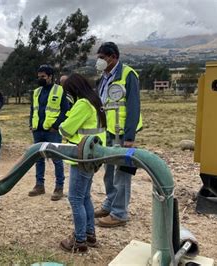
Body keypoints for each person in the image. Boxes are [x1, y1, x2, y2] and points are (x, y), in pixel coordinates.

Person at [94, 42, 142, 227]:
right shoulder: (104, 77)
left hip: (122, 133)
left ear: (113, 57)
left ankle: (120, 213)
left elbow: (133, 106)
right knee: (109, 171)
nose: (100, 61)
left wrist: (130, 137)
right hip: (108, 131)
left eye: (102, 58)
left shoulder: (128, 75)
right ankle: (110, 204)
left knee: (122, 173)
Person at [58, 73, 106, 253]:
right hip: (93, 155)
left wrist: (66, 126)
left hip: (81, 156)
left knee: (75, 198)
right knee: (84, 196)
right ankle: (90, 234)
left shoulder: (83, 104)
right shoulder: (95, 101)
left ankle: (79, 241)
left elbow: (65, 128)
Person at [28, 64, 69, 201]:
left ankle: (59, 187)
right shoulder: (36, 92)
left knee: (56, 159)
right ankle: (39, 185)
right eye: (39, 77)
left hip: (52, 131)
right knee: (38, 158)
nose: (40, 79)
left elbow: (65, 111)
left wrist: (56, 126)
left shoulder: (60, 90)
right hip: (38, 131)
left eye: (43, 77)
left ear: (50, 77)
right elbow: (33, 109)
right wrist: (31, 124)